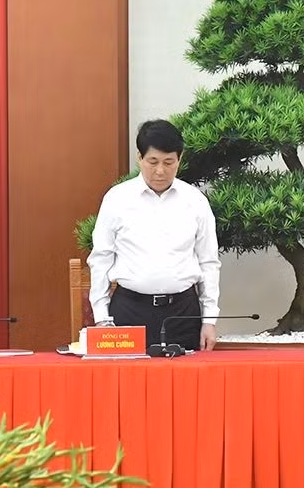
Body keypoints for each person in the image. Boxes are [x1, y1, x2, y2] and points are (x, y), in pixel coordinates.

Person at [87, 119, 221, 353]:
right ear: (139, 158)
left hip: (182, 312)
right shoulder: (117, 199)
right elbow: (100, 259)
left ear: (179, 159)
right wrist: (101, 318)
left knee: (184, 385)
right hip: (130, 310)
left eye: (169, 162)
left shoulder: (195, 201)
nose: (160, 171)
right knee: (129, 385)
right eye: (153, 162)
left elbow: (208, 262)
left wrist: (209, 319)